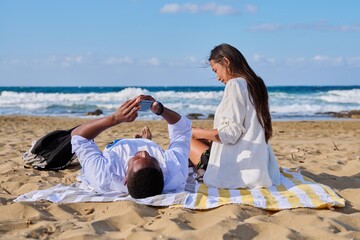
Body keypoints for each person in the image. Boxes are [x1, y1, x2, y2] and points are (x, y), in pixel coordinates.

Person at [189, 43, 280, 189]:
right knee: (201, 139)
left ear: (226, 61)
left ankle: (201, 170)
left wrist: (193, 131)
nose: (218, 77)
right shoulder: (257, 84)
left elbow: (230, 135)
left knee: (187, 139)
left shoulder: (235, 85)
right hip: (261, 164)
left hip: (240, 171)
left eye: (216, 70)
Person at [71, 95, 192, 199]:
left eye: (138, 158)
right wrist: (160, 110)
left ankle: (144, 141)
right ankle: (146, 141)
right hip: (152, 145)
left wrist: (115, 119)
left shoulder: (103, 176)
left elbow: (78, 136)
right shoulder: (175, 172)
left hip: (118, 146)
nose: (143, 152)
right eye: (152, 158)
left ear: (126, 178)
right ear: (162, 172)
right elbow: (183, 129)